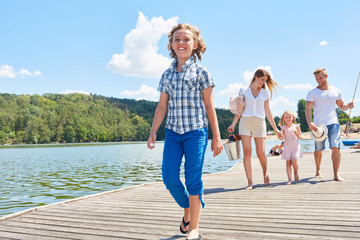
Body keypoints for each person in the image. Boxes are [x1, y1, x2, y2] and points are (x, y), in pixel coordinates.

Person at [147, 23, 223, 240]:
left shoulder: (202, 72)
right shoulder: (166, 75)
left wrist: (216, 137)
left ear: (195, 44)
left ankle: (194, 228)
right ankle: (188, 209)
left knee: (193, 179)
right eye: (177, 39)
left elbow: (209, 106)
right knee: (169, 177)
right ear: (171, 45)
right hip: (172, 133)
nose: (181, 43)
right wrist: (153, 132)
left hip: (195, 132)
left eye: (186, 39)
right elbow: (162, 106)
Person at [227, 69, 282, 190]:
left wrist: (276, 130)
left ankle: (265, 173)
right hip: (245, 122)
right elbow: (239, 110)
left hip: (260, 123)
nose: (263, 82)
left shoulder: (264, 93)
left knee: (261, 153)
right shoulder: (244, 91)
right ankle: (250, 182)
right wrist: (233, 124)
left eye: (265, 81)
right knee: (247, 152)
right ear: (256, 77)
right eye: (262, 80)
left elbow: (268, 111)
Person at [305, 68, 354, 181]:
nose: (318, 80)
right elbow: (308, 109)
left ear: (326, 76)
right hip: (318, 125)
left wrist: (348, 106)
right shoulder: (312, 92)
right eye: (316, 79)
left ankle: (336, 174)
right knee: (319, 148)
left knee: (335, 147)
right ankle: (318, 169)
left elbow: (341, 106)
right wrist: (309, 123)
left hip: (333, 123)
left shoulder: (336, 91)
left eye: (320, 78)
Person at [278, 110, 303, 185]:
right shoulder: (283, 127)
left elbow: (301, 137)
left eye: (289, 117)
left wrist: (297, 135)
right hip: (287, 147)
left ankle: (296, 171)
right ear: (283, 118)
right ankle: (289, 179)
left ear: (293, 118)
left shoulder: (296, 126)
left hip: (295, 146)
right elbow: (281, 138)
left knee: (294, 161)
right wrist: (281, 135)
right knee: (288, 162)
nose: (288, 119)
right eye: (286, 117)